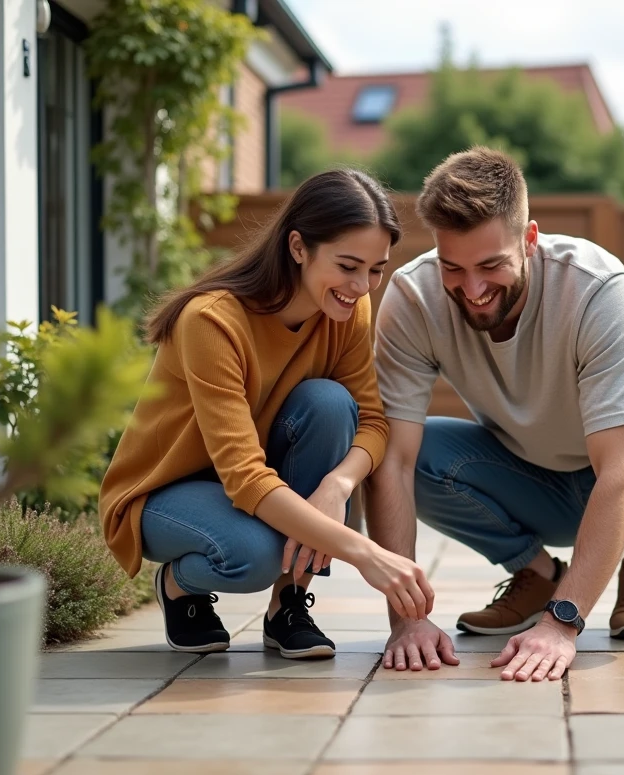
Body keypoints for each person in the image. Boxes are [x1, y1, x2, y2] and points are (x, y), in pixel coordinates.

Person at [365, 147, 624, 681]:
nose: (472, 291)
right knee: (401, 451)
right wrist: (406, 623)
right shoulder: (414, 298)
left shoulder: (596, 288)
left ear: (529, 240)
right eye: (453, 267)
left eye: (491, 266)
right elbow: (396, 465)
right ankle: (537, 572)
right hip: (526, 472)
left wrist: (561, 624)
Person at [99, 169, 434, 660]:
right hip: (163, 493)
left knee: (328, 402)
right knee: (257, 554)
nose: (362, 286)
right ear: (299, 247)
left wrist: (337, 486)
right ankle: (177, 584)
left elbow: (373, 422)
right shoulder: (212, 320)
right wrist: (364, 553)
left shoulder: (345, 311)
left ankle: (289, 605)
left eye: (376, 269)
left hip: (250, 485)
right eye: (347, 266)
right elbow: (245, 477)